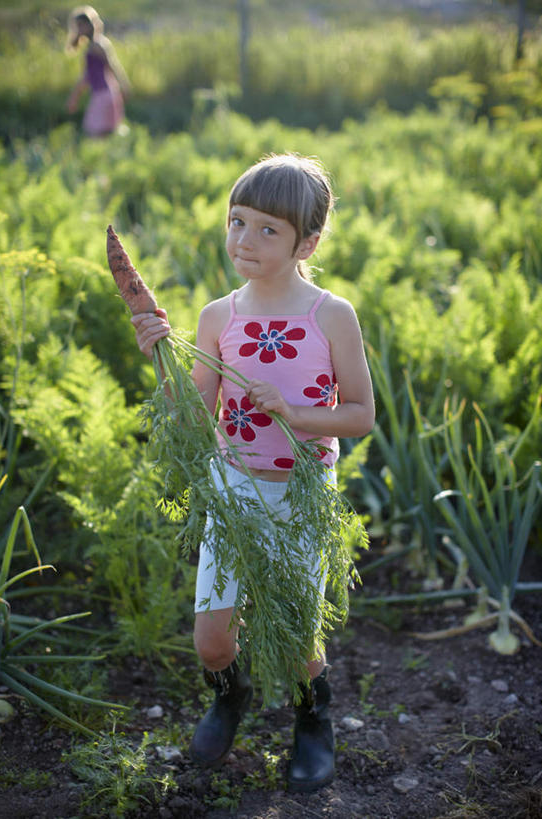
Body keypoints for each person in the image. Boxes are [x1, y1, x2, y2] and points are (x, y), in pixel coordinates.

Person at [132, 153, 375, 792]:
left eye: (268, 229)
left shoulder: (331, 316)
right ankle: (229, 695)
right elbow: (190, 414)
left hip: (300, 493)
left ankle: (313, 721)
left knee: (296, 634)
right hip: (233, 490)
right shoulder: (220, 317)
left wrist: (296, 414)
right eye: (237, 221)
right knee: (212, 638)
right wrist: (158, 353)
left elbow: (360, 415)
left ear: (309, 242)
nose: (244, 239)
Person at [66, 5, 130, 137]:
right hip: (108, 93)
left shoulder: (96, 47)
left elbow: (107, 69)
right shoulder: (99, 44)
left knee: (94, 134)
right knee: (105, 136)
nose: (77, 30)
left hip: (103, 95)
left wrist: (74, 97)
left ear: (86, 26)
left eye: (79, 26)